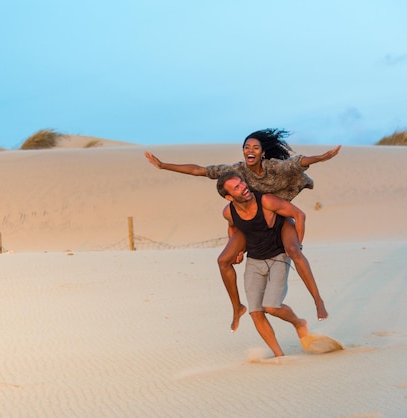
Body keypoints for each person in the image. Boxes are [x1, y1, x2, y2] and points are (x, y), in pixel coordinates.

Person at [145, 129, 340, 331]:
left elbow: (297, 163)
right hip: (252, 222)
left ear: (262, 153)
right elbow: (200, 170)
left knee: (293, 251)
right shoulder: (237, 172)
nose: (250, 150)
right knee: (223, 260)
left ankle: (318, 301)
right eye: (246, 147)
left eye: (255, 147)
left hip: (278, 217)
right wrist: (162, 165)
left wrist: (322, 158)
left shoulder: (272, 167)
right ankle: (237, 307)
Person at [217, 171, 309, 357]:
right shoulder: (229, 212)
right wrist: (238, 250)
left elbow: (298, 215)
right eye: (236, 187)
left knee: (272, 306)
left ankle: (299, 323)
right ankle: (279, 355)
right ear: (228, 196)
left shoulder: (264, 201)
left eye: (242, 182)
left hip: (277, 256)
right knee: (256, 312)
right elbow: (232, 225)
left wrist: (297, 245)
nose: (243, 186)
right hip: (254, 259)